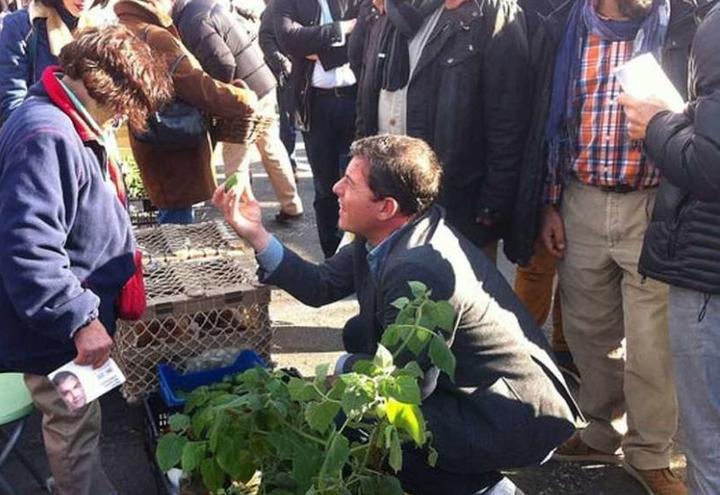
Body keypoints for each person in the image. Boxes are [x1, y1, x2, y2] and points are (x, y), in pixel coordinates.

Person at [214, 134, 578, 495]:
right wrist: (256, 234)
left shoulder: (418, 267)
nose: (336, 188)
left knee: (361, 422)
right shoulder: (385, 235)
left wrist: (341, 370)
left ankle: (486, 488)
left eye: (350, 183)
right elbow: (320, 285)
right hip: (477, 392)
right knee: (357, 376)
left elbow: (406, 388)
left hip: (508, 416)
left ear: (386, 207)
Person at [515, 0, 698, 492]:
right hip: (581, 201)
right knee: (588, 331)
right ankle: (599, 430)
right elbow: (549, 125)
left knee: (651, 343)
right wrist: (549, 204)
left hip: (654, 205)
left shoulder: (684, 24)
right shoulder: (563, 29)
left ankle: (650, 453)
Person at [0, 26, 171, 495]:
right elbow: (29, 247)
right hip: (54, 332)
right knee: (73, 426)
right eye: (125, 106)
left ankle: (76, 484)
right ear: (104, 87)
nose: (124, 118)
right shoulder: (47, 135)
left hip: (60, 320)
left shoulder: (59, 121)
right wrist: (78, 318)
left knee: (78, 422)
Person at [618, 0, 720, 492]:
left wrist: (659, 123)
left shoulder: (713, 25)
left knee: (711, 443)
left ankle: (658, 457)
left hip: (708, 267)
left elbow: (710, 165)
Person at [348, 0, 529, 261]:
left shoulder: (488, 11)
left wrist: (494, 199)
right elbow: (365, 98)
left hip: (455, 205)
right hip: (386, 202)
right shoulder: (384, 10)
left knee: (448, 298)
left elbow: (509, 117)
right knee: (388, 296)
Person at [115, 0, 257, 225]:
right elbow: (196, 85)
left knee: (171, 216)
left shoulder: (122, 28)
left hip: (151, 139)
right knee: (178, 225)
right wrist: (242, 98)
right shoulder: (154, 36)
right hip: (175, 142)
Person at [172, 0, 304, 223]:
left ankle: (242, 217)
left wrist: (220, 96)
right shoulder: (202, 8)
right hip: (262, 83)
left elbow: (223, 63)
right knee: (271, 147)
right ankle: (292, 206)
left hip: (242, 93)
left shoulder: (192, 22)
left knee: (236, 159)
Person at [273, 0, 360, 257]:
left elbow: (365, 36)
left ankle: (359, 256)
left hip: (354, 99)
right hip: (315, 104)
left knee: (359, 182)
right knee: (325, 187)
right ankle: (332, 256)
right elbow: (288, 39)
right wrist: (342, 29)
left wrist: (317, 50)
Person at [0, 0, 107, 120]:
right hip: (40, 131)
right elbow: (13, 106)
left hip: (91, 134)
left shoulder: (103, 29)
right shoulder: (22, 25)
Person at [258, 0, 298, 175]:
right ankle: (289, 164)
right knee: (288, 121)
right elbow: (265, 38)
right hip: (287, 74)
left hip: (311, 74)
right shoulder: (276, 6)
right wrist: (282, 61)